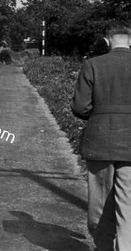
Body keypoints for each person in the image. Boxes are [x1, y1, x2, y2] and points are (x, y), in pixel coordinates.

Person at [72, 20, 131, 251]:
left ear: (106, 41)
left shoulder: (93, 65)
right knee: (128, 202)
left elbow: (80, 107)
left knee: (100, 203)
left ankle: (103, 246)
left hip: (101, 141)